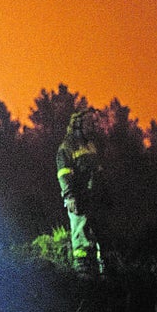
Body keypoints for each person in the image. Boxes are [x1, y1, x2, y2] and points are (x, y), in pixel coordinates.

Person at [56, 109, 105, 278]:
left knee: (99, 235)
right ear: (77, 125)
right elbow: (64, 174)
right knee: (81, 235)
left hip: (94, 197)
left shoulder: (90, 145)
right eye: (88, 123)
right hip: (79, 198)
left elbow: (97, 170)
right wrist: (70, 196)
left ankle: (103, 271)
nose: (92, 126)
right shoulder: (66, 147)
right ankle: (83, 272)